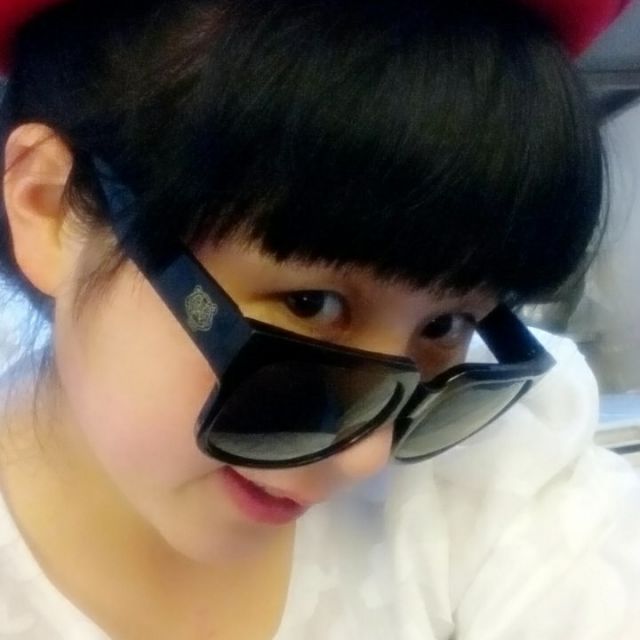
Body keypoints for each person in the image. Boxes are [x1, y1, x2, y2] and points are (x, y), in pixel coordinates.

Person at [0, 0, 638, 638]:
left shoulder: (492, 470)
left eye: (445, 326)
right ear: (51, 208)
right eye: (311, 305)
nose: (368, 455)